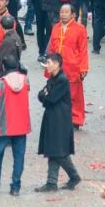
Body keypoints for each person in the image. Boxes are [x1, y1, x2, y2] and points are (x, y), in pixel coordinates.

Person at [0, 56, 31, 196]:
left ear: (3, 67)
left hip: (4, 125)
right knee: (19, 157)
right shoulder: (25, 80)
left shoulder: (0, 84)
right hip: (21, 126)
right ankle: (15, 187)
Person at [35, 53, 82, 192]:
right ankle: (51, 182)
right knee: (53, 149)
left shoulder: (61, 79)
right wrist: (44, 95)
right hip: (53, 116)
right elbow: (42, 94)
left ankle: (73, 176)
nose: (47, 65)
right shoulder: (54, 78)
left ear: (56, 64)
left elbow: (50, 98)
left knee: (58, 151)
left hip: (59, 118)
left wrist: (44, 95)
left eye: (48, 63)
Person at [46, 3, 88, 128]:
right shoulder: (56, 27)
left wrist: (83, 67)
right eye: (61, 12)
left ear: (73, 15)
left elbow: (83, 50)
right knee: (56, 92)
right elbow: (52, 48)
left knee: (74, 95)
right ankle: (58, 117)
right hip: (56, 67)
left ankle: (75, 120)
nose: (63, 14)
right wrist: (49, 63)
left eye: (66, 12)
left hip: (73, 66)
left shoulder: (80, 29)